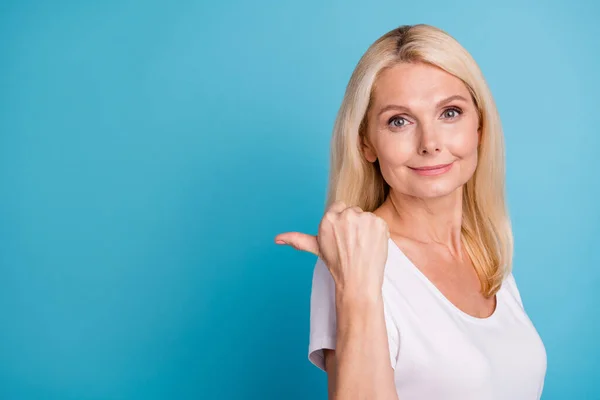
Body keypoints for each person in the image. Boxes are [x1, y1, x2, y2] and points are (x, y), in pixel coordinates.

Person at [274, 23, 547, 399]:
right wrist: (357, 289)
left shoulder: (485, 254)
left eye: (450, 113)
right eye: (399, 121)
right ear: (366, 143)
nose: (430, 143)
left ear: (480, 128)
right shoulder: (353, 260)